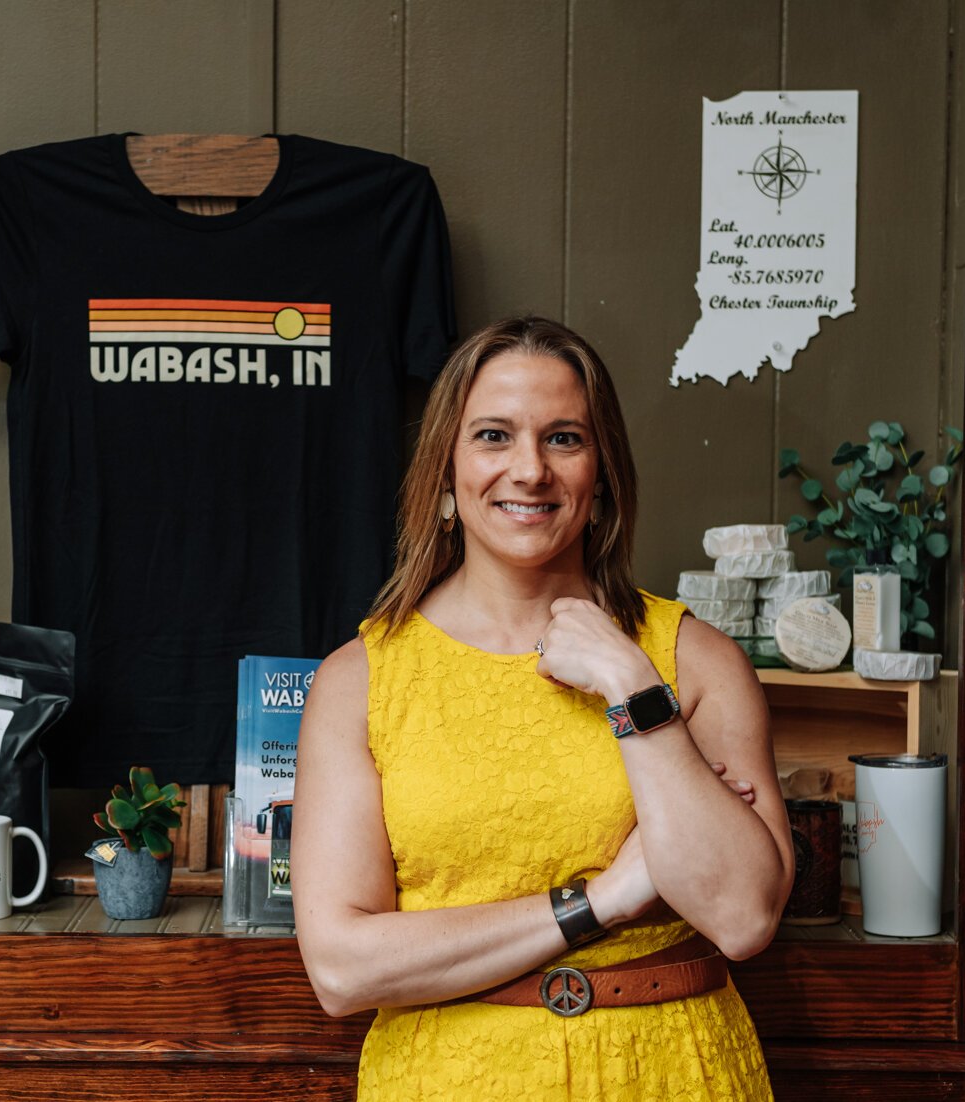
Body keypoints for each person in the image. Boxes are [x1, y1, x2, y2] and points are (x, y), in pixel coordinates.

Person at [291, 316, 792, 1099]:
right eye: (493, 436)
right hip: (452, 1078)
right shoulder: (360, 681)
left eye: (563, 439)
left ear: (602, 479)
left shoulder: (693, 661)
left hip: (669, 1073)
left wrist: (633, 688)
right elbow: (342, 968)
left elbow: (743, 916)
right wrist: (602, 900)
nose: (529, 470)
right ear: (446, 474)